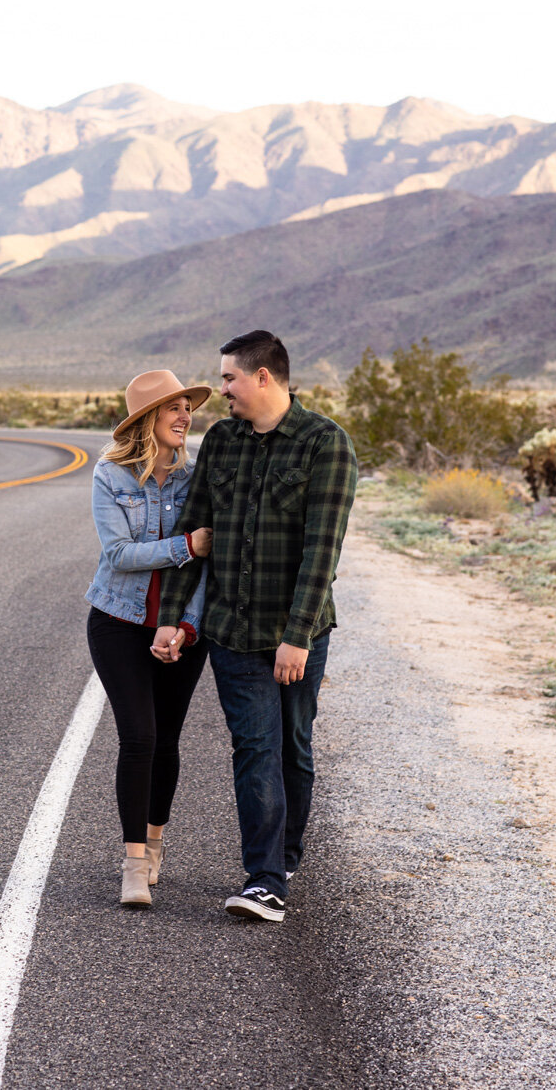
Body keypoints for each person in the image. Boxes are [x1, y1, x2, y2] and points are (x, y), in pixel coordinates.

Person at [154, 331, 358, 922]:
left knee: (294, 746)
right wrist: (172, 620)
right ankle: (265, 879)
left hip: (298, 632)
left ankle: (286, 852)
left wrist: (297, 636)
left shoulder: (326, 445)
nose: (221, 392)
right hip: (231, 632)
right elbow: (196, 531)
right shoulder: (221, 442)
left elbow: (323, 551)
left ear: (264, 376)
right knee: (254, 747)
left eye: (228, 380)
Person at [86, 369, 213, 908]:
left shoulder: (194, 479)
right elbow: (118, 555)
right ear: (146, 421)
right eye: (173, 408)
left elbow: (212, 571)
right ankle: (134, 861)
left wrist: (184, 628)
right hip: (118, 622)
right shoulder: (110, 477)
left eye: (188, 407)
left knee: (166, 740)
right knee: (138, 737)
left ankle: (156, 843)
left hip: (183, 629)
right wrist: (186, 545)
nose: (185, 416)